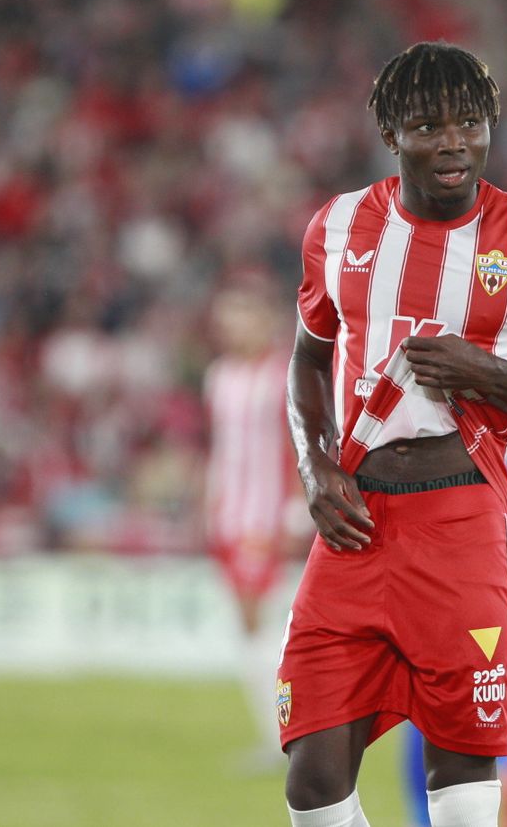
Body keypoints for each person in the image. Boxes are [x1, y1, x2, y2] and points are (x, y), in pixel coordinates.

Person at [280, 41, 507, 827]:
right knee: (313, 779)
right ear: (392, 133)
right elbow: (308, 360)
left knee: (462, 781)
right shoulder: (336, 228)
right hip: (355, 523)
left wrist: (487, 372)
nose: (453, 142)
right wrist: (314, 463)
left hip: (461, 517)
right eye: (429, 125)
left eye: (469, 122)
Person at [399, 435, 507, 827]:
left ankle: (423, 817)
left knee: (424, 689)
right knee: (485, 684)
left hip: (451, 543)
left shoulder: (448, 401)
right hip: (501, 548)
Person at [203, 279, 300, 770]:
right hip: (230, 517)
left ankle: (282, 737)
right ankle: (281, 734)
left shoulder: (281, 375)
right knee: (253, 627)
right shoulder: (218, 376)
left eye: (243, 315)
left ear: (264, 320)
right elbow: (220, 450)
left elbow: (300, 441)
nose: (233, 326)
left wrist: (295, 510)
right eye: (227, 317)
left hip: (265, 517)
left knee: (259, 624)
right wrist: (210, 504)